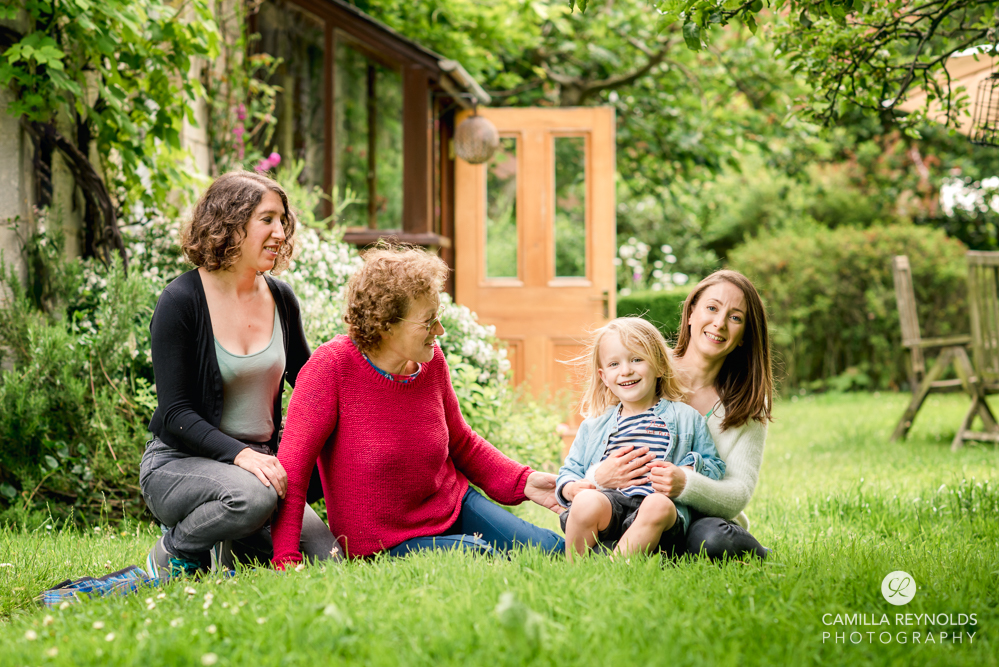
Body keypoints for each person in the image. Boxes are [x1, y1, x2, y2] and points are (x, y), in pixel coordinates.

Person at [269, 245, 564, 566]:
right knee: (480, 558)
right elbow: (294, 473)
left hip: (452, 504)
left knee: (552, 551)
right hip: (383, 542)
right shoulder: (332, 367)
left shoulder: (431, 361)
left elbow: (462, 442)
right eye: (428, 321)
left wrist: (523, 481)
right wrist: (286, 557)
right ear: (385, 324)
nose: (439, 331)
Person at [140, 171, 339, 577]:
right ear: (230, 223)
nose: (280, 232)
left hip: (261, 467)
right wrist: (242, 456)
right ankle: (175, 551)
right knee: (252, 497)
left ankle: (231, 542)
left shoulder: (281, 298)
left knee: (327, 560)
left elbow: (309, 383)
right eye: (267, 219)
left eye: (283, 220)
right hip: (182, 462)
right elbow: (175, 414)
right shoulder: (180, 301)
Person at [591, 270, 773, 560]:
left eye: (735, 318)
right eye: (712, 308)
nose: (719, 323)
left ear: (743, 337)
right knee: (601, 530)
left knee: (711, 540)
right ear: (690, 314)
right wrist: (600, 477)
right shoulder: (642, 372)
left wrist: (685, 485)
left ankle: (753, 552)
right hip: (631, 510)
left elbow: (738, 492)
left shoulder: (747, 402)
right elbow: (593, 449)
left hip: (703, 521)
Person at [556, 318, 725, 561]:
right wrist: (572, 488)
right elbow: (569, 471)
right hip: (610, 506)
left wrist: (688, 469)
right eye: (614, 364)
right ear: (604, 377)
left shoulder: (686, 418)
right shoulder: (593, 426)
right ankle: (574, 572)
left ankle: (617, 570)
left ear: (659, 367)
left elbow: (716, 467)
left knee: (657, 504)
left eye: (636, 359)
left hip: (658, 512)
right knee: (585, 502)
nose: (626, 370)